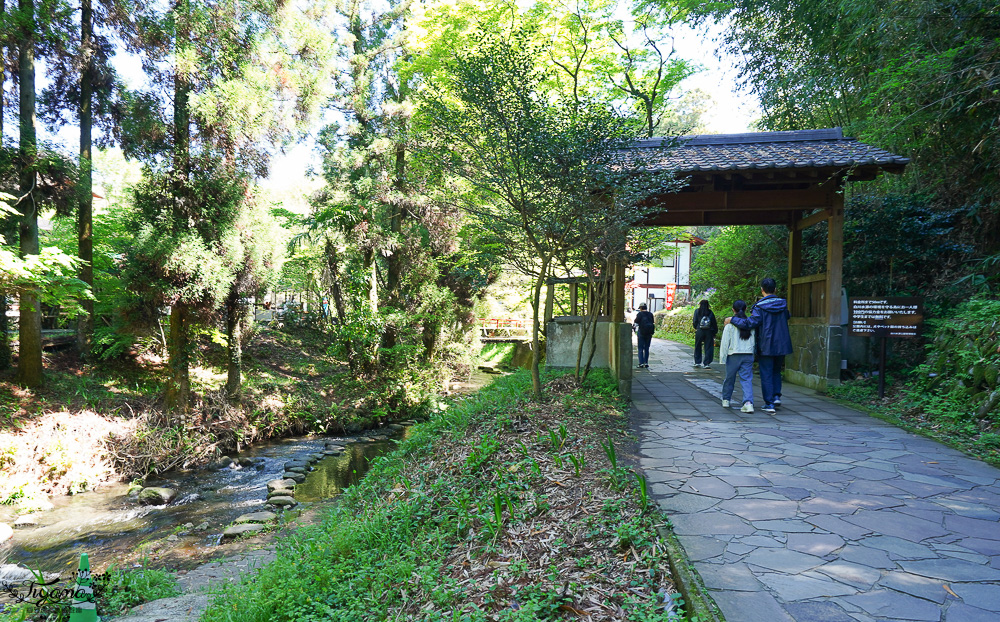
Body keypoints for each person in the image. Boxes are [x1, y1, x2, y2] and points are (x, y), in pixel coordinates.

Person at [727, 277, 793, 414]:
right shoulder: (782, 305)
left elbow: (750, 323)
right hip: (781, 344)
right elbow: (787, 316)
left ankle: (769, 404)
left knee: (766, 373)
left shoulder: (759, 307)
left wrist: (733, 319)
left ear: (762, 290)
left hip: (766, 344)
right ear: (775, 289)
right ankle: (775, 396)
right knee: (776, 371)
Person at [719, 300, 756, 413]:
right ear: (746, 309)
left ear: (733, 310)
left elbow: (725, 343)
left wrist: (723, 358)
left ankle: (726, 400)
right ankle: (748, 403)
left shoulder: (729, 325)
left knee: (729, 378)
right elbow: (754, 341)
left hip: (733, 355)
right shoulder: (751, 324)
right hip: (748, 354)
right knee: (746, 379)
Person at [691, 299, 718, 369]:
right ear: (708, 305)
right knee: (708, 347)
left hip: (699, 331)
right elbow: (714, 323)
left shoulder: (697, 311)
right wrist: (714, 332)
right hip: (709, 331)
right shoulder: (710, 312)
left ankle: (697, 362)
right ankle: (707, 363)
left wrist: (696, 327)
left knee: (698, 346)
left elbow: (695, 321)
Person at [633, 303, 655, 369]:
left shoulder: (640, 314)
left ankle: (641, 363)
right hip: (649, 333)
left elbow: (636, 321)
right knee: (646, 348)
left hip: (641, 332)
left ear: (641, 308)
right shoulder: (650, 314)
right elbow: (652, 322)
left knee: (640, 348)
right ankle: (646, 363)